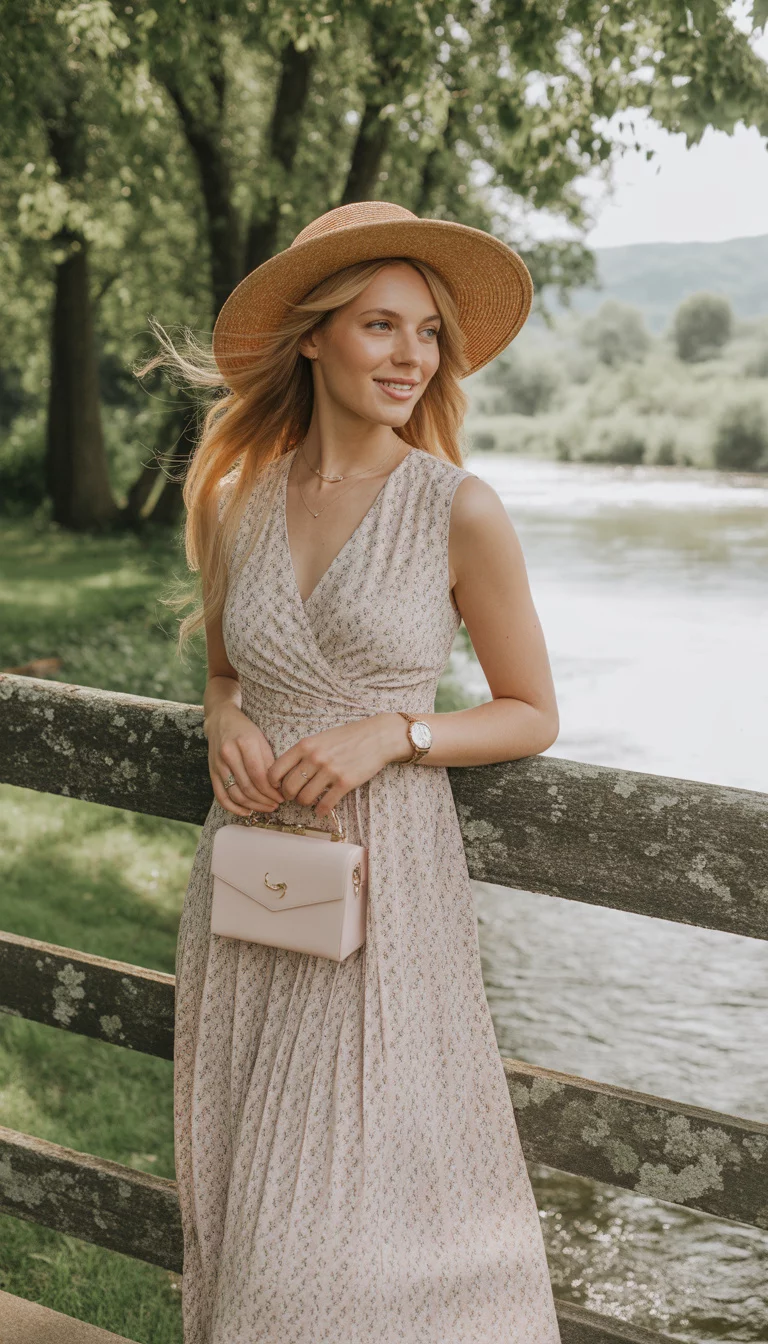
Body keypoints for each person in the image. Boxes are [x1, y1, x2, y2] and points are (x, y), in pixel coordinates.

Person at [146, 200, 561, 1342]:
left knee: (353, 1217)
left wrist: (398, 733)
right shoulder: (240, 504)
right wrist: (223, 711)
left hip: (390, 891)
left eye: (428, 333)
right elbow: (231, 669)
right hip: (251, 880)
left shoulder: (456, 508)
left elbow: (532, 712)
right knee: (248, 1190)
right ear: (316, 336)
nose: (411, 357)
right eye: (382, 326)